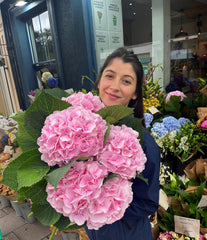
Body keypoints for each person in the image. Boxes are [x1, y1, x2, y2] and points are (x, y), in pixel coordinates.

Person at [85, 47, 161, 240]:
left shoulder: (143, 144)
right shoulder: (85, 129)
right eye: (109, 76)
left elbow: (148, 202)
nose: (115, 86)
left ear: (135, 93)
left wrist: (100, 205)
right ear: (99, 81)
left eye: (126, 81)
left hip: (125, 233)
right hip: (96, 230)